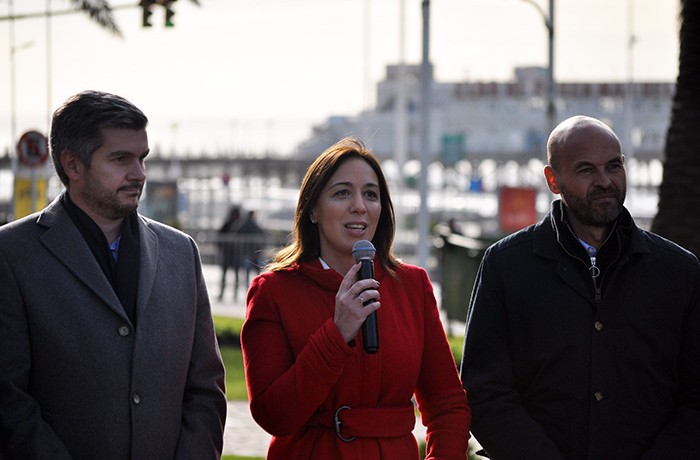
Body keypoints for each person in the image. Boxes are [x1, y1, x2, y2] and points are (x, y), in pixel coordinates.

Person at [0, 90, 227, 459]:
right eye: (121, 159)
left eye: (142, 158)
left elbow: (205, 388)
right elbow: (9, 400)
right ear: (72, 165)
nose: (138, 174)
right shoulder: (11, 254)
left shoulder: (181, 252)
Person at [460, 115, 700, 459]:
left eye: (613, 166)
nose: (605, 181)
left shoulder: (678, 271)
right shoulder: (505, 265)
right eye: (586, 170)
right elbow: (485, 391)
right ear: (553, 179)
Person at [241, 137, 471, 459]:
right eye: (342, 193)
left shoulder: (412, 285)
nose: (360, 206)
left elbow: (447, 404)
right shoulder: (274, 291)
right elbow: (273, 415)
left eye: (371, 194)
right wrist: (337, 334)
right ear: (313, 211)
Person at [236, 209, 266, 290]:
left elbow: (237, 232)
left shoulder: (244, 224)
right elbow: (262, 233)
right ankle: (258, 286)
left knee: (247, 270)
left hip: (246, 251)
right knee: (256, 269)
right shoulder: (254, 225)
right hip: (254, 251)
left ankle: (248, 287)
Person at [218, 205, 241, 300]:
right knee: (227, 273)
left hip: (234, 253)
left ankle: (232, 293)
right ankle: (225, 292)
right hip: (230, 252)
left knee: (231, 273)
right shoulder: (230, 223)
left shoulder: (238, 224)